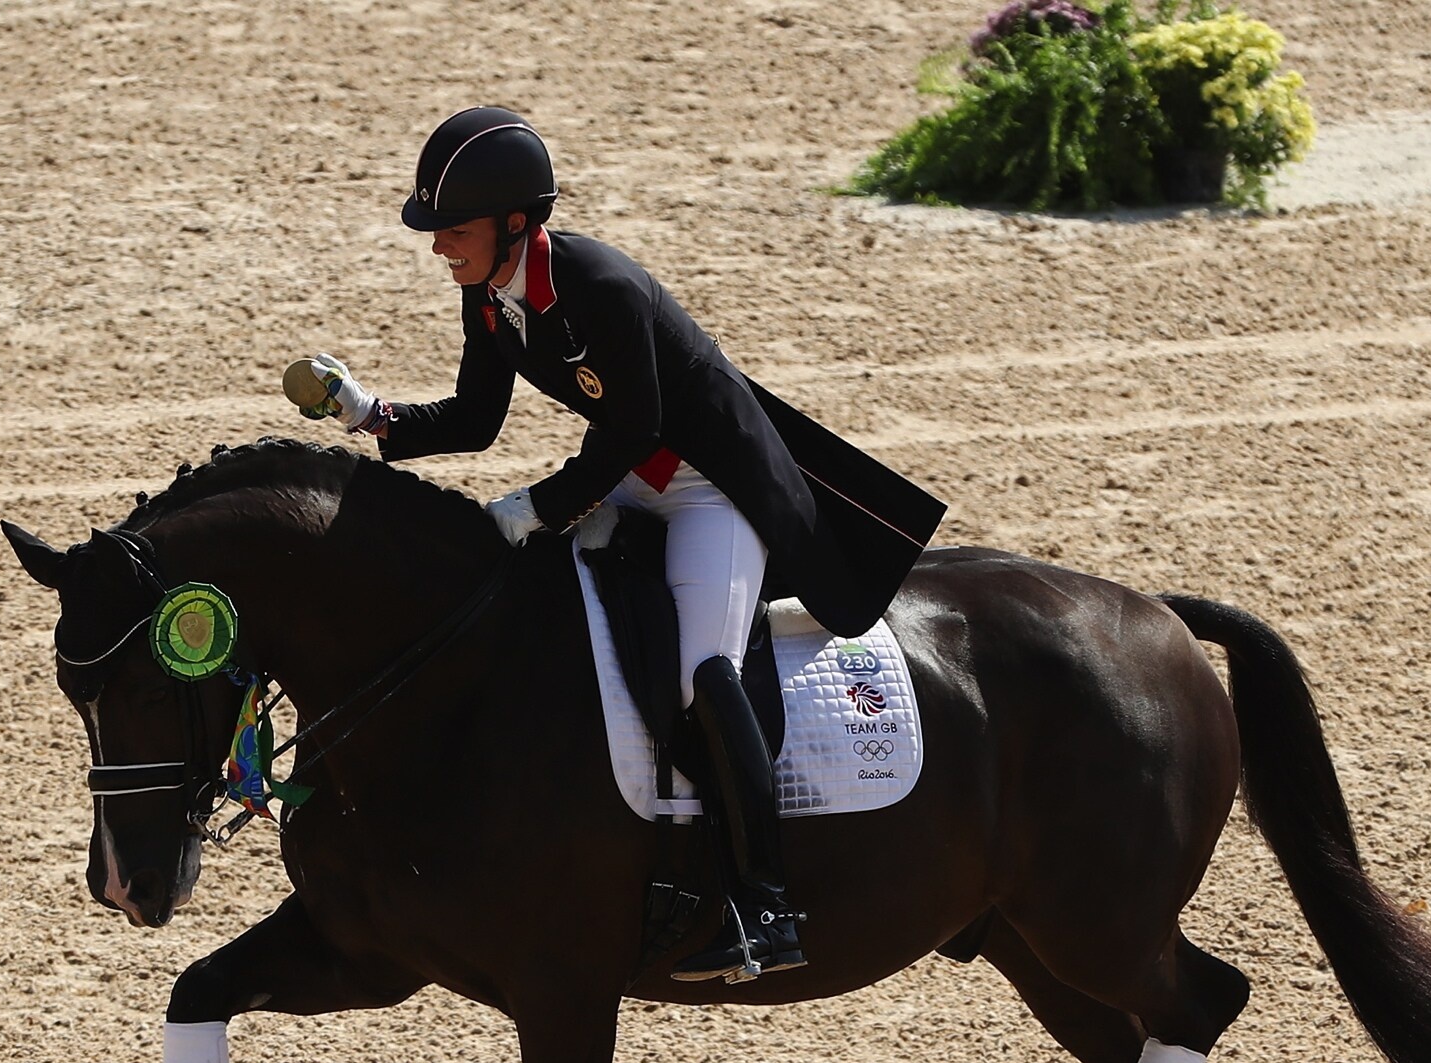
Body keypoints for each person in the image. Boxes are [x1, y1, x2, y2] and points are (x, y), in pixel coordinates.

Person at [288, 107, 942, 983]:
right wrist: (373, 414)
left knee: (701, 669)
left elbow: (636, 424)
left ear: (515, 223)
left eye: (454, 230)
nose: (440, 247)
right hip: (637, 477)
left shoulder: (602, 287)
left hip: (716, 490)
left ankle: (766, 907)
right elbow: (479, 420)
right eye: (436, 233)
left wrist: (543, 505)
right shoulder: (490, 294)